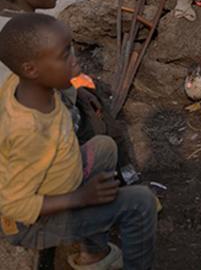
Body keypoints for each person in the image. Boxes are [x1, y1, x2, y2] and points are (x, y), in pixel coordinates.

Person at [0, 14, 157, 270]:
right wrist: (81, 198)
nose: (75, 63)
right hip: (33, 224)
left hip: (62, 185)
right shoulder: (29, 132)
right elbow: (14, 205)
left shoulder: (24, 85)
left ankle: (93, 255)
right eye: (65, 56)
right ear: (31, 69)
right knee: (141, 203)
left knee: (104, 147)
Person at [0, 0, 133, 172]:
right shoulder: (39, 35)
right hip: (35, 150)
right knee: (106, 137)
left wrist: (77, 90)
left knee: (90, 99)